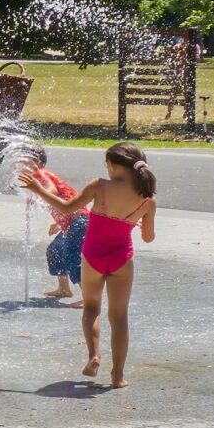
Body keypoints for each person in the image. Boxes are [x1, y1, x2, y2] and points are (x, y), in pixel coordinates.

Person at [59, 143, 158, 388]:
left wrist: (37, 189)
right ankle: (118, 376)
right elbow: (148, 237)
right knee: (119, 317)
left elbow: (66, 208)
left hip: (93, 256)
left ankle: (94, 356)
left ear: (113, 165)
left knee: (92, 308)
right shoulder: (148, 200)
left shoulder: (99, 186)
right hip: (121, 260)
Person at [17, 147, 86, 301]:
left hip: (79, 221)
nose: (21, 163)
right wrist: (58, 224)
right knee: (55, 250)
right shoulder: (39, 177)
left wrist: (36, 197)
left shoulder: (41, 174)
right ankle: (64, 288)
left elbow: (52, 191)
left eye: (25, 160)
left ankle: (88, 297)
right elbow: (62, 200)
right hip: (74, 221)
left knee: (71, 255)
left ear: (37, 163)